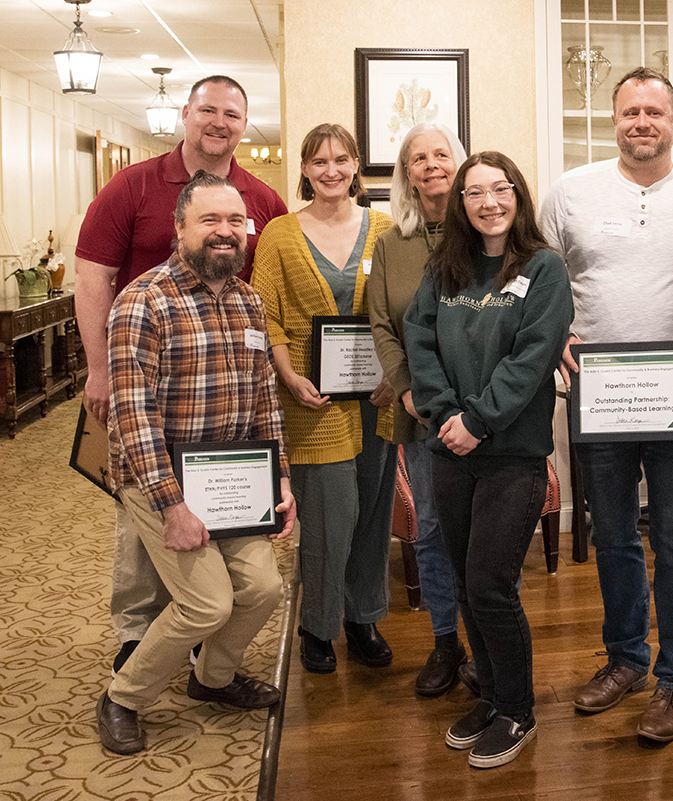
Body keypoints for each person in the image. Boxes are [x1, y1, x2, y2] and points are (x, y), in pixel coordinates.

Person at [539, 66, 673, 744]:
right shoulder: (570, 192)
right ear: (613, 119)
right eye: (630, 112)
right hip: (598, 397)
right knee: (613, 534)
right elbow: (540, 276)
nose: (642, 123)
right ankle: (626, 657)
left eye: (655, 112)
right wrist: (558, 332)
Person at [74, 75, 289, 674]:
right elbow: (93, 277)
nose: (220, 122)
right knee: (141, 535)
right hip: (145, 379)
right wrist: (99, 372)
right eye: (208, 111)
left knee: (227, 556)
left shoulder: (263, 201)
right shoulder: (132, 185)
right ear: (186, 117)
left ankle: (199, 645)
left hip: (221, 403)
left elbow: (267, 289)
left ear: (245, 125)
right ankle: (136, 639)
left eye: (232, 114)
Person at [96, 172, 296, 755]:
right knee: (208, 602)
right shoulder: (143, 300)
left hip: (232, 476)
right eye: (211, 220)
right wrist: (172, 508)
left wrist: (279, 476)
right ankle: (123, 697)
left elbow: (264, 399)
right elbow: (132, 417)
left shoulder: (249, 301)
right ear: (180, 228)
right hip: (159, 478)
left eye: (236, 222)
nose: (226, 232)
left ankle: (212, 679)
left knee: (262, 588)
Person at [404, 151, 573, 768]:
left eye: (499, 190)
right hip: (450, 449)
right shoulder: (446, 266)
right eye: (474, 193)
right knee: (467, 588)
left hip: (511, 456)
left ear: (517, 196)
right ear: (461, 204)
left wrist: (477, 420)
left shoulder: (545, 269)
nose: (488, 202)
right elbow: (419, 338)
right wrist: (446, 413)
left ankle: (518, 710)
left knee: (491, 586)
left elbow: (531, 357)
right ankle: (493, 694)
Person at [251, 124, 398, 674]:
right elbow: (268, 316)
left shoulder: (385, 230)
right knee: (328, 520)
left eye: (341, 159)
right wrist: (288, 376)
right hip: (313, 402)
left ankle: (364, 618)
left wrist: (396, 375)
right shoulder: (280, 236)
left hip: (377, 400)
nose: (331, 170)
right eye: (318, 161)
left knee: (371, 516)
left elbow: (404, 313)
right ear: (305, 170)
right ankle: (318, 624)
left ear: (356, 164)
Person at [368, 122, 477, 697]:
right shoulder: (392, 244)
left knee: (483, 532)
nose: (432, 165)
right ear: (405, 175)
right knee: (433, 529)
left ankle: (485, 642)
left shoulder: (488, 230)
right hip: (423, 414)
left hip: (487, 414)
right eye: (418, 158)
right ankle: (445, 642)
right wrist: (407, 387)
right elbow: (382, 326)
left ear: (460, 164)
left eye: (442, 154)